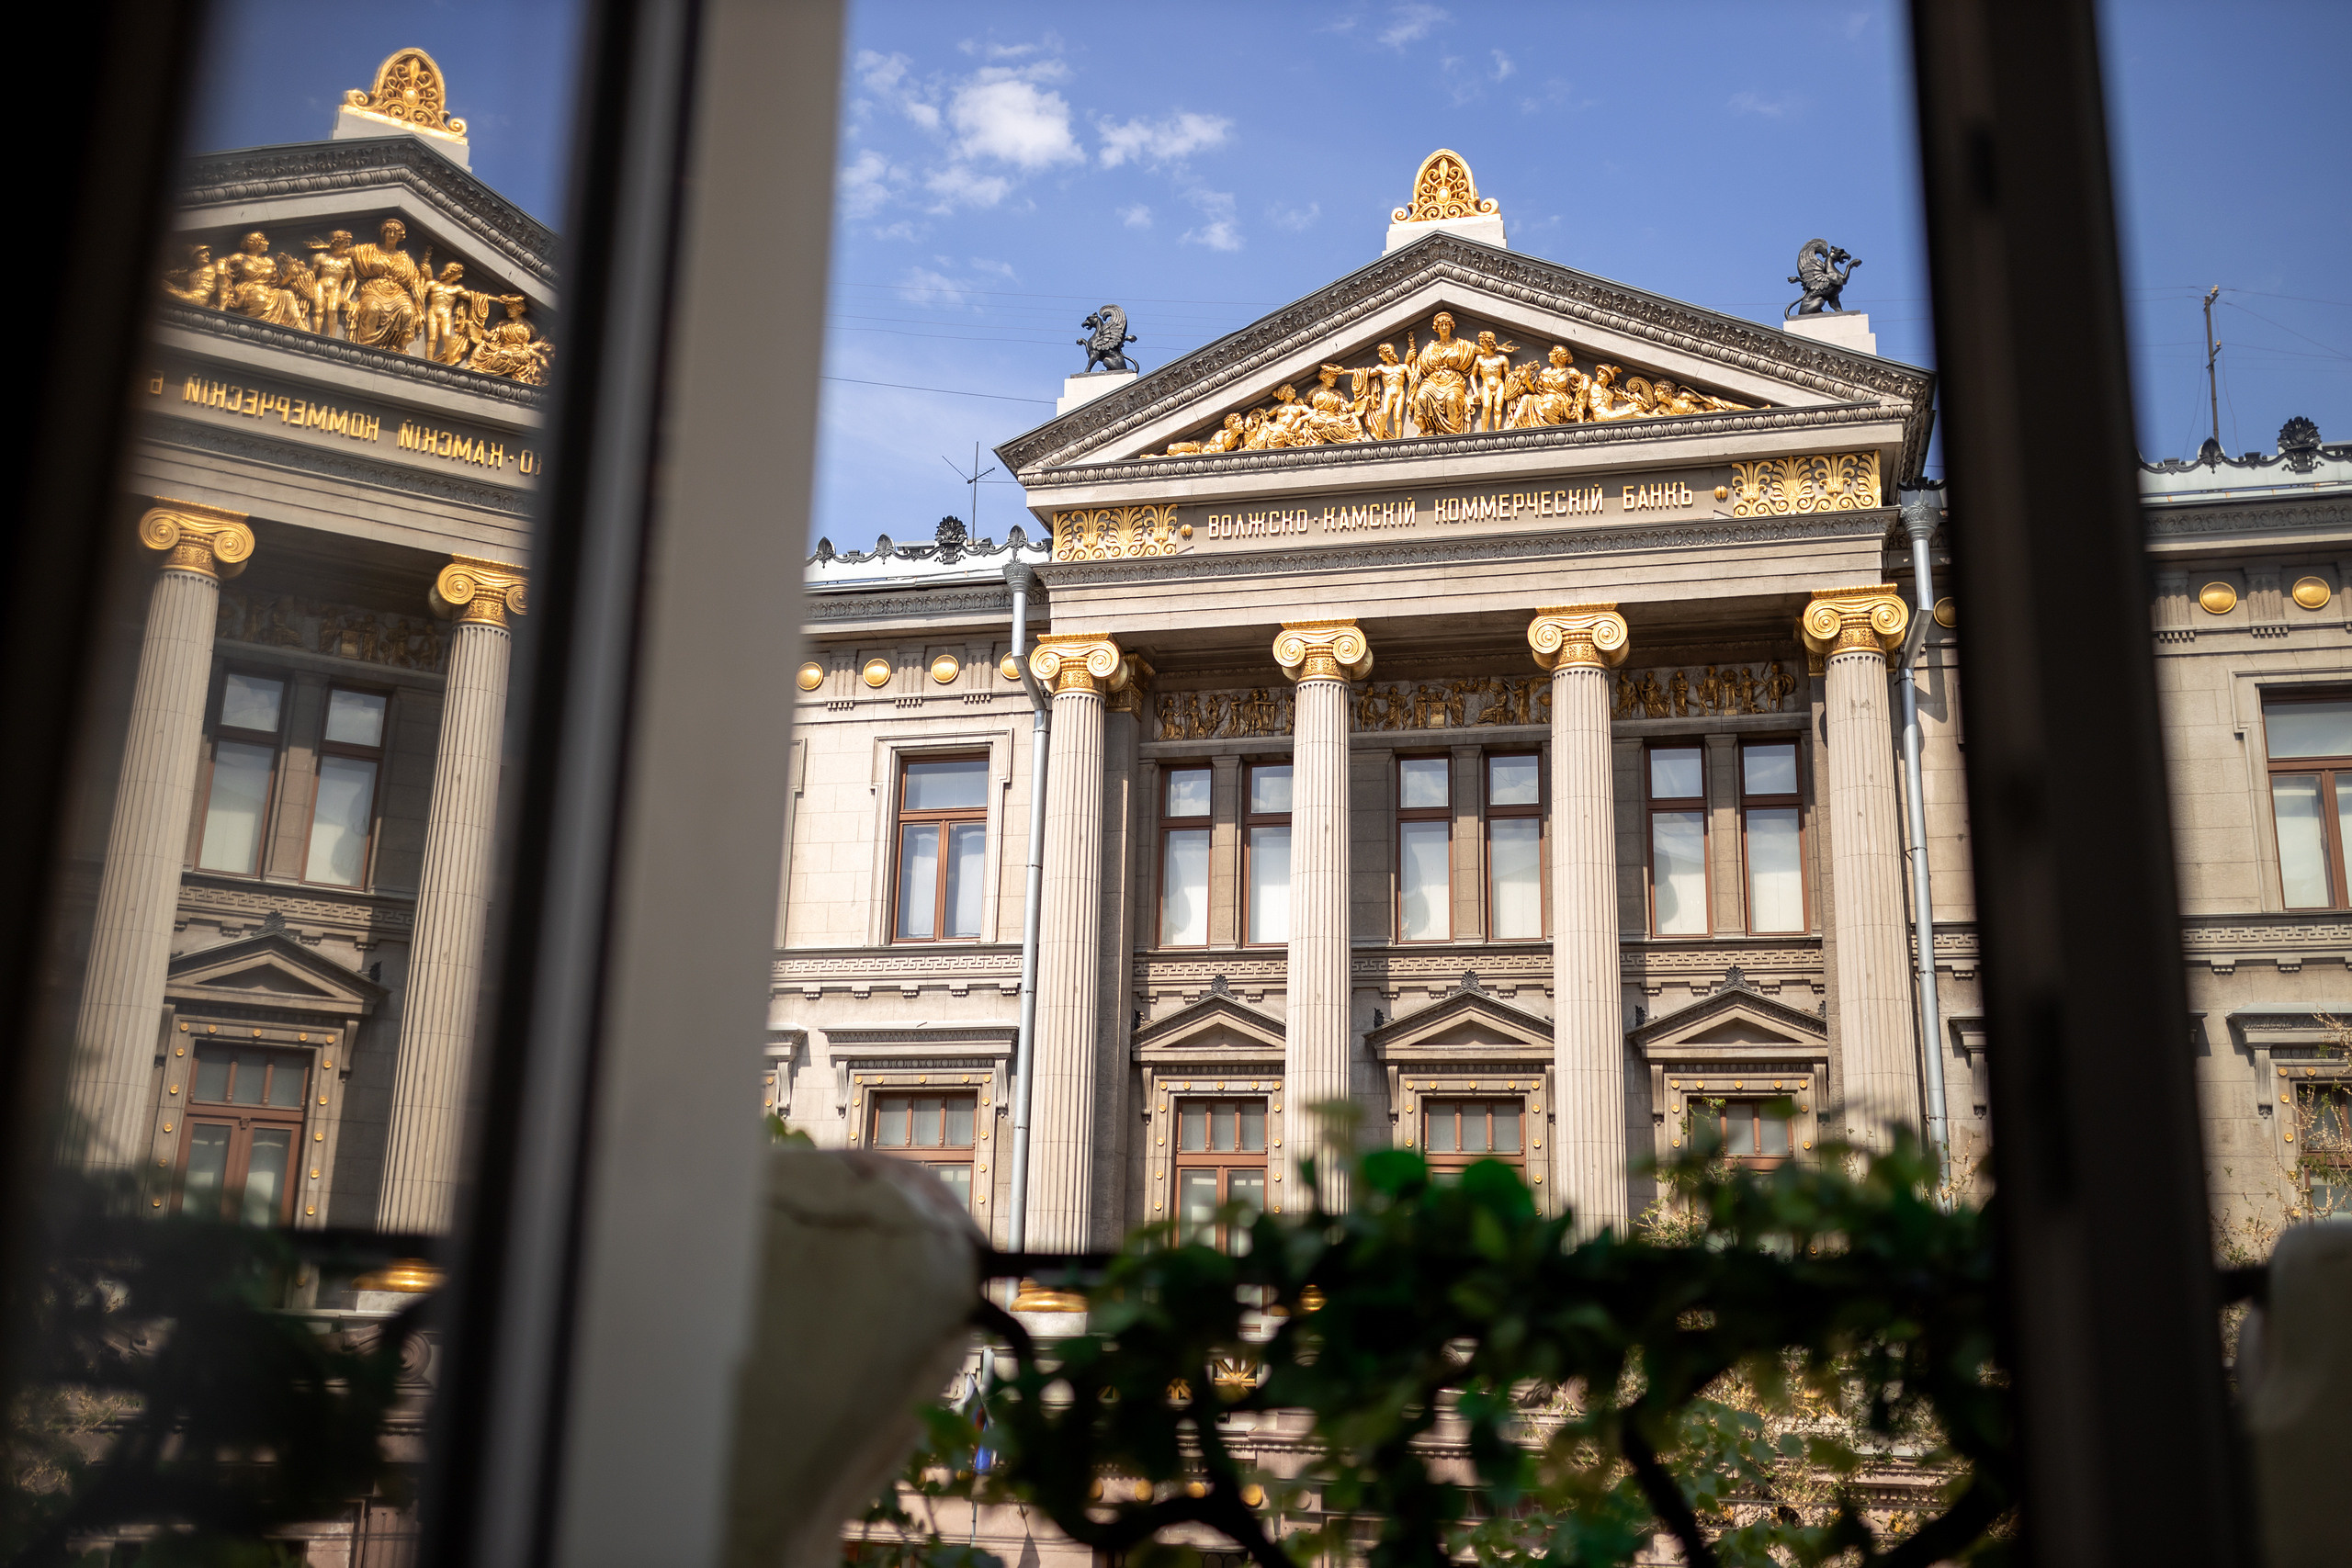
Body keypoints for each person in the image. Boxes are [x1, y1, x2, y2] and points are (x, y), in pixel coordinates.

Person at [345, 220, 430, 352]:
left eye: (395, 233)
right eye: (388, 232)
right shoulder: (368, 250)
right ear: (383, 233)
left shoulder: (406, 259)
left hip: (398, 293)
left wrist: (420, 311)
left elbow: (416, 286)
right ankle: (365, 346)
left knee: (407, 311)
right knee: (372, 308)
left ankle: (399, 348)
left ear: (400, 237)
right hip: (374, 289)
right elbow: (343, 252)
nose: (391, 235)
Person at [1408, 312, 1476, 434]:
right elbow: (1417, 371)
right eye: (1441, 325)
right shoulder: (1429, 348)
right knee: (1421, 397)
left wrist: (1497, 348)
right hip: (1432, 382)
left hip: (1452, 381)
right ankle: (1427, 430)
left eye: (1446, 324)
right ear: (1436, 328)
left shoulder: (1461, 345)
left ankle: (1453, 434)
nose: (1444, 327)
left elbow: (1483, 350)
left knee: (1452, 399)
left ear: (1451, 326)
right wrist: (1411, 395)